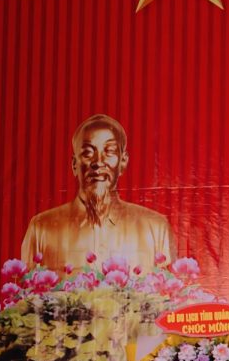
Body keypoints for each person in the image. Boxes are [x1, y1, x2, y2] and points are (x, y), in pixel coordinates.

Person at [21, 113, 174, 270]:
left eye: (109, 151)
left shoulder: (155, 229)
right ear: (74, 164)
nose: (98, 162)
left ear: (123, 162)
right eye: (87, 153)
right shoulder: (41, 229)